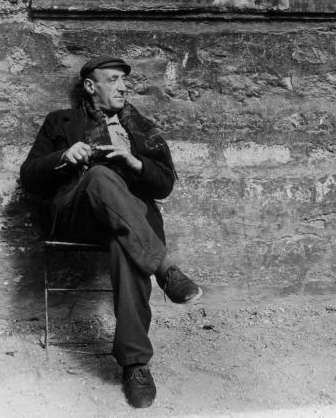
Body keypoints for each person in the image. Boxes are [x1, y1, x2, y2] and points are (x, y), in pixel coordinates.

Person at [20, 56, 202, 409]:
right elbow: (29, 176)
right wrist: (63, 155)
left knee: (127, 243)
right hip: (77, 213)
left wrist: (134, 162)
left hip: (128, 224)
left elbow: (164, 184)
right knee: (102, 176)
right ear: (91, 86)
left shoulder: (139, 127)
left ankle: (135, 365)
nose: (122, 87)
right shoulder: (61, 122)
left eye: (124, 81)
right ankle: (165, 268)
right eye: (114, 80)